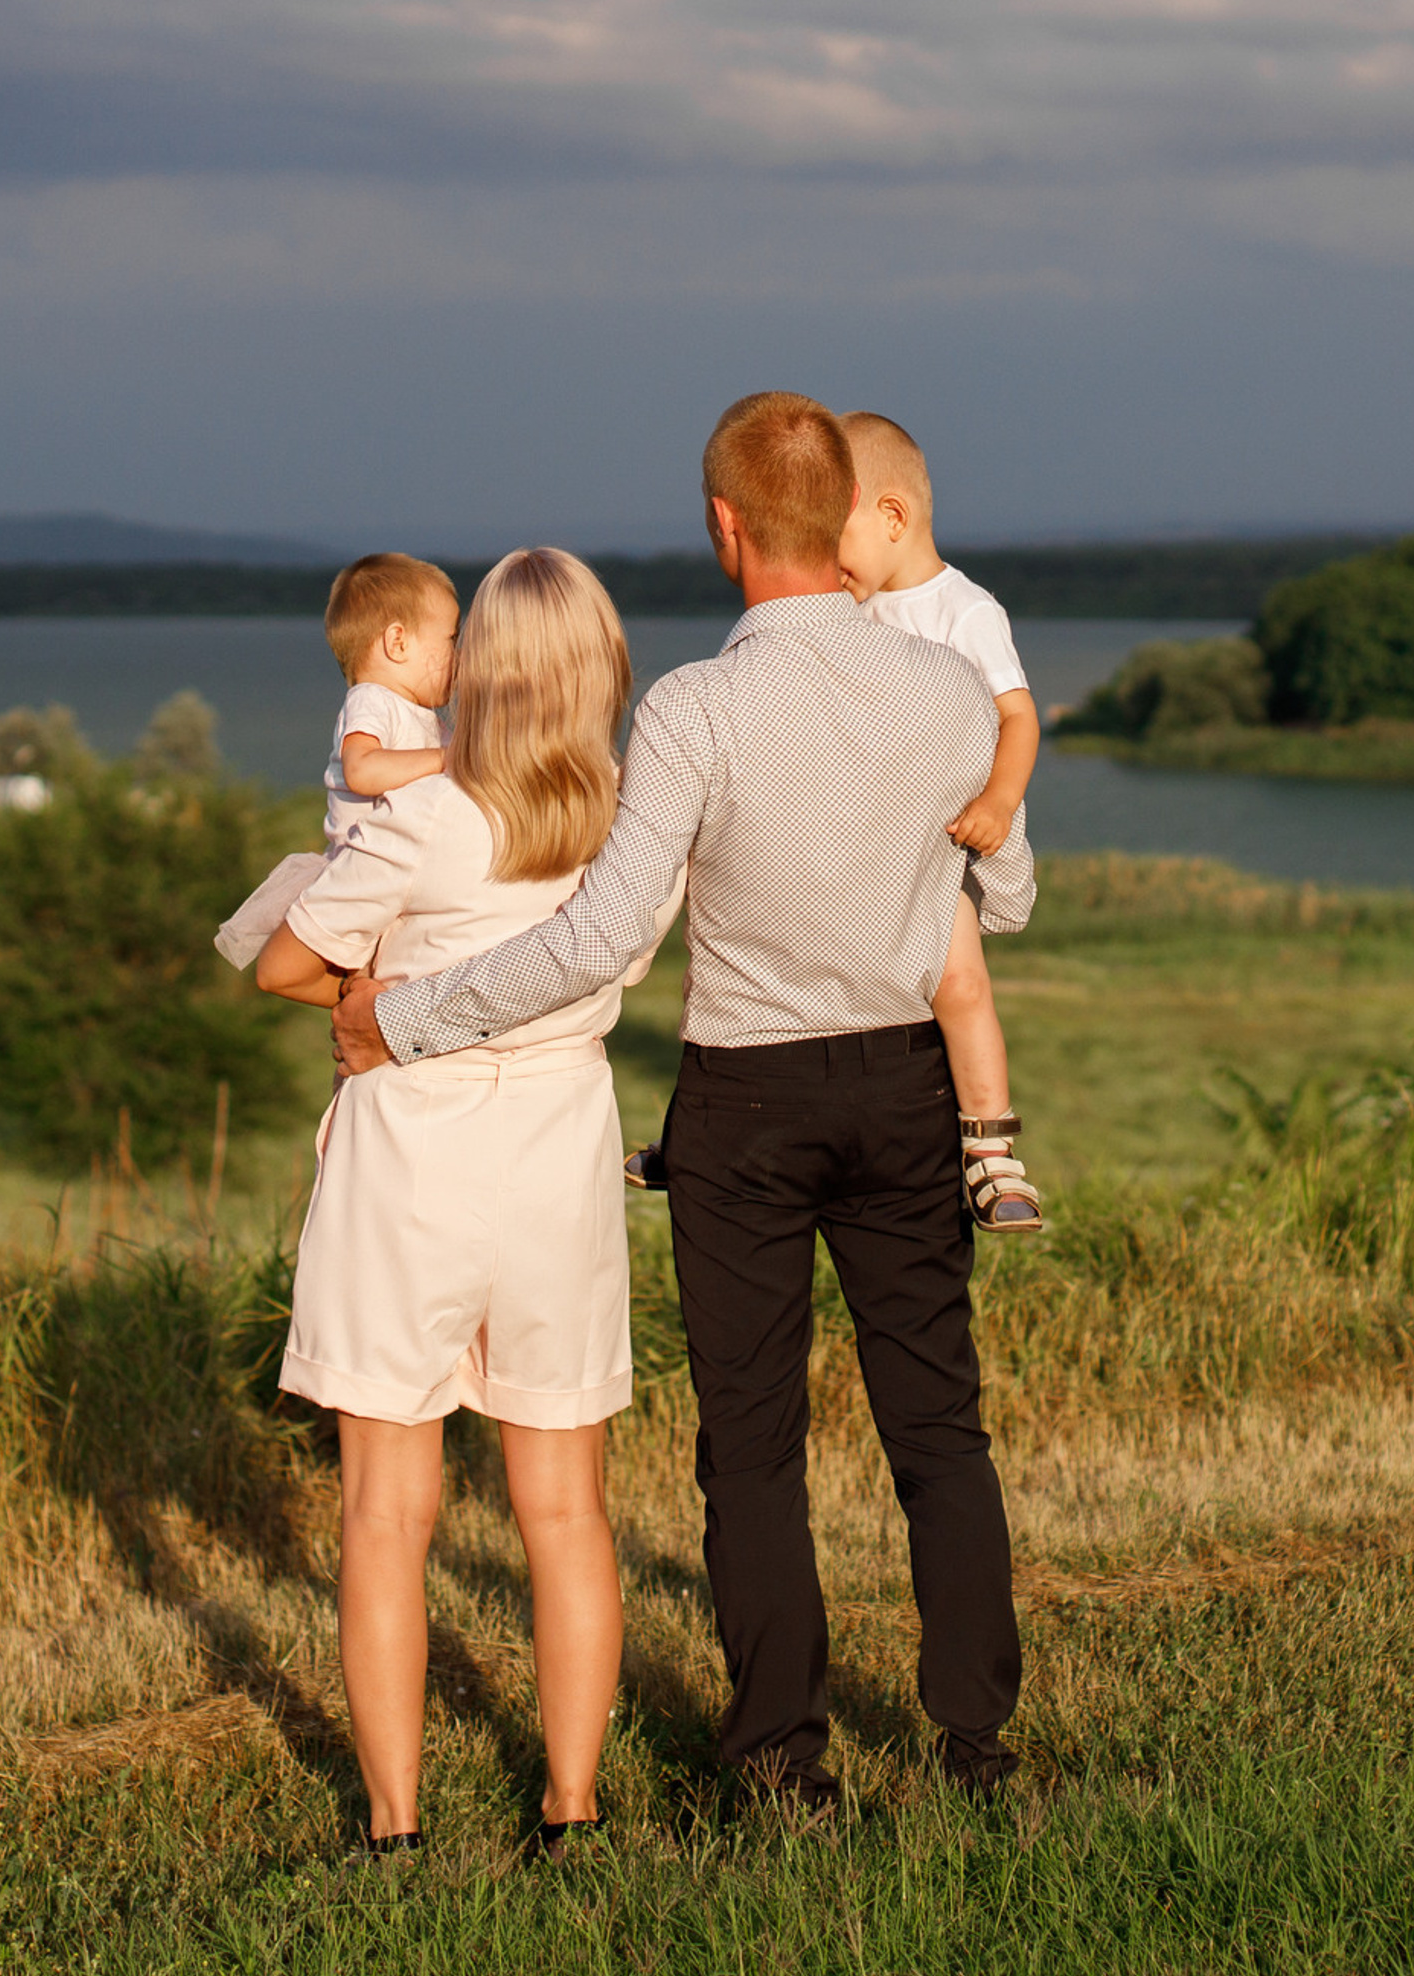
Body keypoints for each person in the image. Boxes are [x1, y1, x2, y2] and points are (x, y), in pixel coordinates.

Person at [333, 392, 1035, 1806]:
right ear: (845, 517)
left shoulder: (699, 708)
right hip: (906, 1085)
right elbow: (1002, 894)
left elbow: (598, 939)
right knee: (938, 1426)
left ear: (725, 526)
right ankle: (975, 1742)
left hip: (746, 1107)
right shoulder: (954, 696)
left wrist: (405, 1017)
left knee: (754, 1445)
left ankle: (783, 1761)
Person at [254, 549, 679, 1857]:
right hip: (559, 1153)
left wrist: (367, 991)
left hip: (412, 1163)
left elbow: (285, 968)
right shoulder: (638, 819)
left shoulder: (425, 819)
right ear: (603, 673)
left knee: (388, 1509)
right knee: (564, 1508)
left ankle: (392, 1820)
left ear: (479, 672)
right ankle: (572, 1803)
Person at [621, 410, 1043, 1230]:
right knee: (739, 961)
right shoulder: (861, 600)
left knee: (958, 984)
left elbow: (1017, 719)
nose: (825, 559)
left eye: (832, 526)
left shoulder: (965, 614)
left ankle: (991, 1147)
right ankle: (694, 1137)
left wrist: (996, 810)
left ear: (889, 515)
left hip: (940, 840)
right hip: (864, 845)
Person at [213, 552, 456, 971]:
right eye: (451, 639)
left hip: (396, 869)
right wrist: (445, 758)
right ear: (398, 642)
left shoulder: (423, 717)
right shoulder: (372, 700)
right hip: (364, 872)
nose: (460, 653)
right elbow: (362, 770)